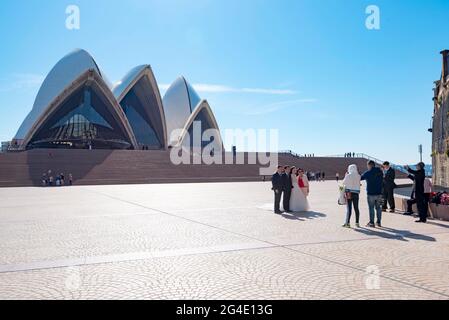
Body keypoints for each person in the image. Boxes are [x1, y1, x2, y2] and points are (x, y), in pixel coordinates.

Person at [361, 160, 384, 227]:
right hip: (379, 193)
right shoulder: (380, 172)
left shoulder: (368, 173)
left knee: (371, 208)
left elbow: (360, 178)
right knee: (379, 208)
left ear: (369, 165)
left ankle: (372, 223)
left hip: (371, 194)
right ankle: (379, 222)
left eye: (367, 165)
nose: (367, 167)